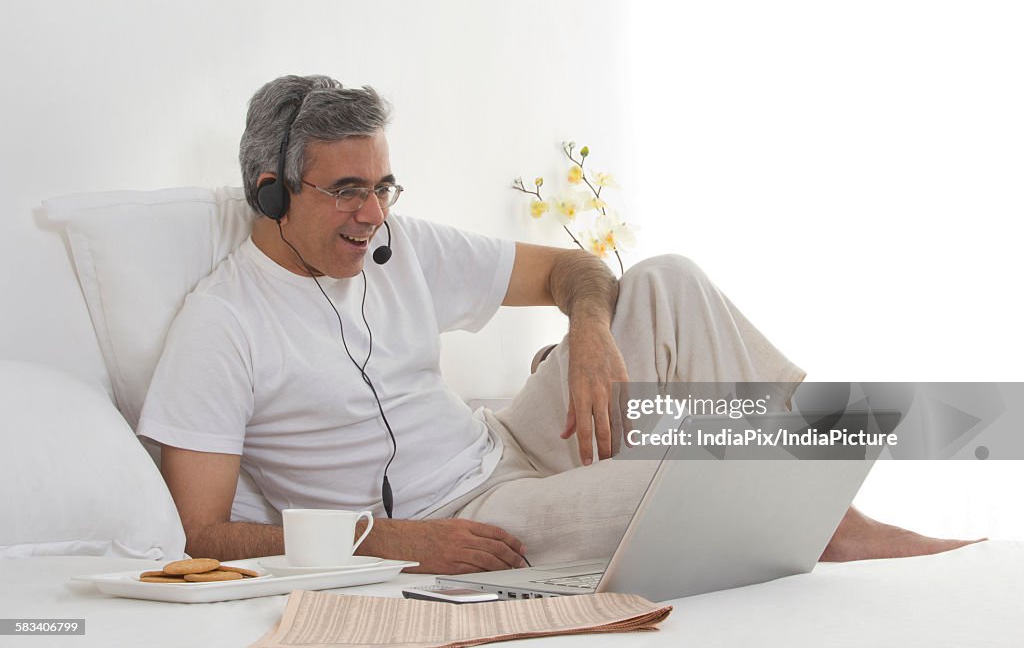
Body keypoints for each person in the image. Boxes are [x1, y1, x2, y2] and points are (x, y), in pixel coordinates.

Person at [138, 75, 979, 574]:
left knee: (669, 280)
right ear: (271, 190)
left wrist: (589, 329)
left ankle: (839, 507)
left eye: (383, 186)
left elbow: (574, 268)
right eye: (346, 191)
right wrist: (386, 541)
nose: (372, 214)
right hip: (465, 517)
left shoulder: (403, 243)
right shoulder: (222, 325)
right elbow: (206, 533)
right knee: (689, 471)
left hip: (515, 439)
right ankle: (840, 530)